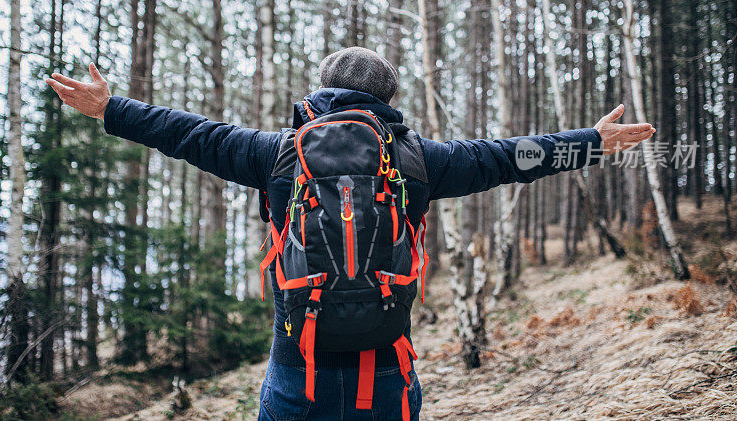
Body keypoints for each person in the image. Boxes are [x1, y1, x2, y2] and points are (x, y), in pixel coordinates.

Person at [46, 46, 655, 420]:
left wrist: (110, 108)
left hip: (298, 360)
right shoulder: (420, 160)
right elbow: (505, 156)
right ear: (389, 99)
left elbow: (189, 133)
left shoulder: (276, 153)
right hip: (386, 361)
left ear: (320, 93)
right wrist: (587, 144)